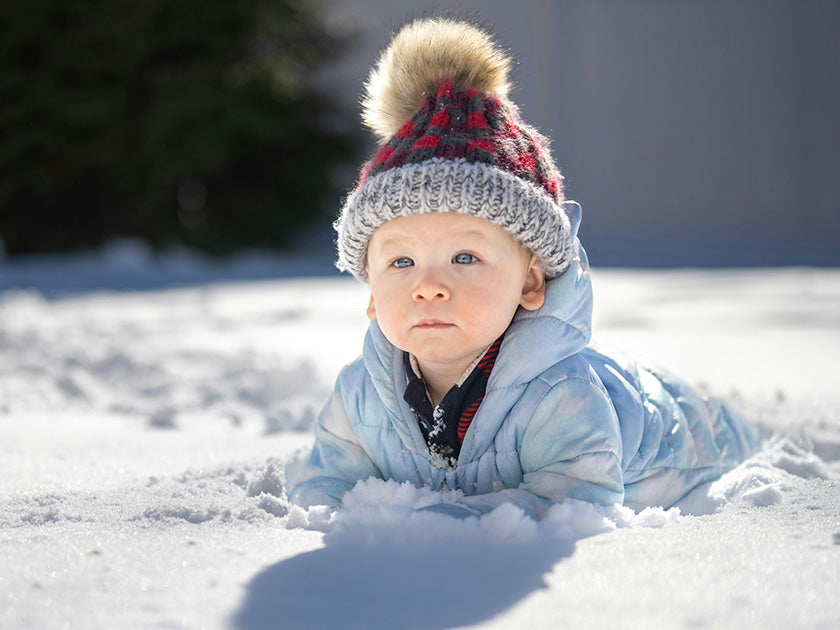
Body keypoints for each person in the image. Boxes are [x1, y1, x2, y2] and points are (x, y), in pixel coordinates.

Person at [285, 16, 758, 519]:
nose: (428, 286)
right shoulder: (361, 394)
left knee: (718, 423)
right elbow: (325, 482)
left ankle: (736, 415)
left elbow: (575, 499)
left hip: (691, 442)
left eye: (464, 257)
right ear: (373, 295)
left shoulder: (563, 395)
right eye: (401, 261)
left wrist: (449, 525)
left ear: (530, 281)